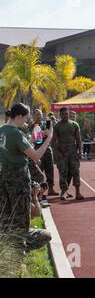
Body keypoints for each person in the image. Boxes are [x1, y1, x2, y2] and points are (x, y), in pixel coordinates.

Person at [0, 104, 52, 251]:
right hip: (18, 179)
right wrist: (49, 138)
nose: (27, 120)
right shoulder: (15, 133)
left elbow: (24, 144)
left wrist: (39, 136)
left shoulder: (3, 130)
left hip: (4, 176)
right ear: (19, 116)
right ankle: (19, 256)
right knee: (21, 219)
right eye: (26, 117)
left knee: (6, 215)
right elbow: (35, 156)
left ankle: (7, 250)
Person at [53, 107, 84, 201]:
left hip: (73, 151)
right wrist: (57, 152)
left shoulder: (75, 124)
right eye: (63, 114)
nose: (65, 115)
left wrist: (80, 152)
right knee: (63, 172)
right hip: (62, 151)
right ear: (60, 115)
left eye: (66, 114)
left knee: (75, 171)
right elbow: (53, 141)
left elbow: (78, 139)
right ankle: (63, 192)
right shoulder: (57, 126)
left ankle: (77, 192)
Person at [32, 109, 57, 196]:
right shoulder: (32, 125)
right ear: (34, 115)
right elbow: (37, 140)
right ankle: (39, 191)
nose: (39, 116)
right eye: (37, 114)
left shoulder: (45, 123)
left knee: (50, 169)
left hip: (48, 149)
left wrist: (51, 126)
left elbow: (51, 132)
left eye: (40, 114)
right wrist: (45, 134)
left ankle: (51, 188)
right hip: (38, 150)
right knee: (39, 170)